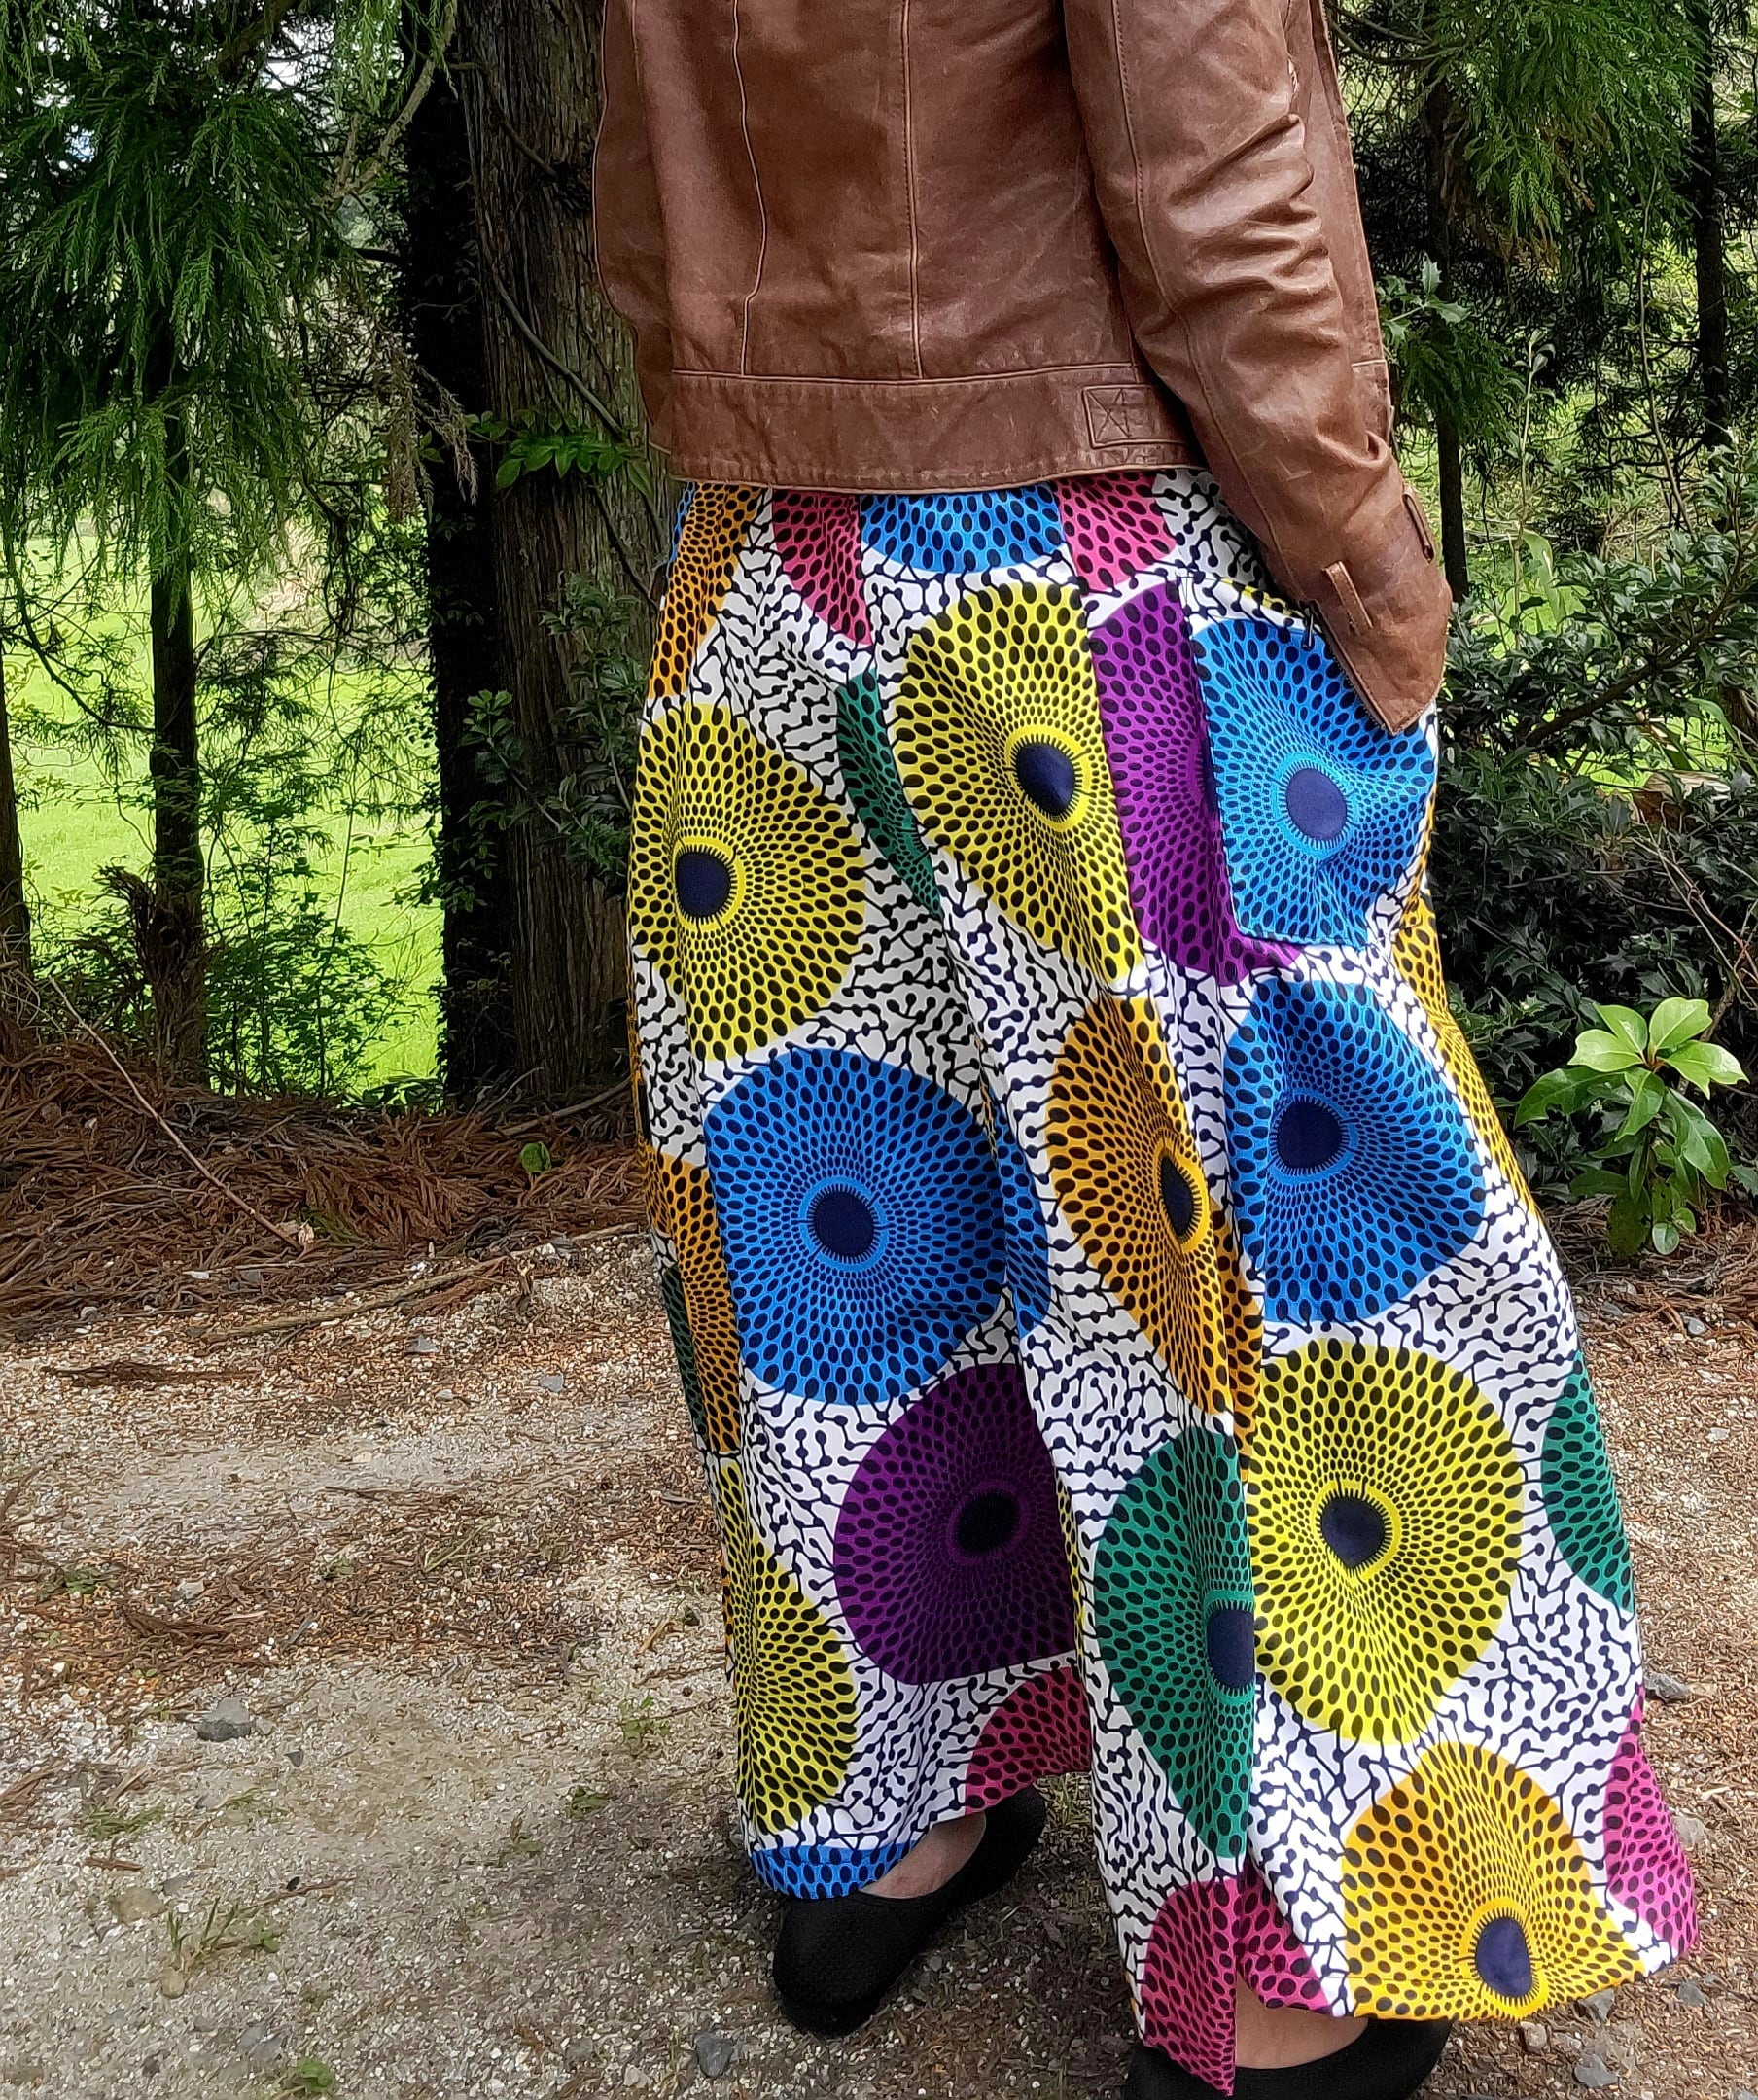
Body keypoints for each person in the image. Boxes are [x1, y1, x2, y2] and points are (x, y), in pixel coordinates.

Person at [592, 2, 1697, 2093]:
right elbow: (1212, 172)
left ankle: (888, 1815)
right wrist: (1368, 566)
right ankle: (1301, 1949)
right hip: (1079, 568)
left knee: (853, 1217)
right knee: (1267, 1267)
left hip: (760, 564)